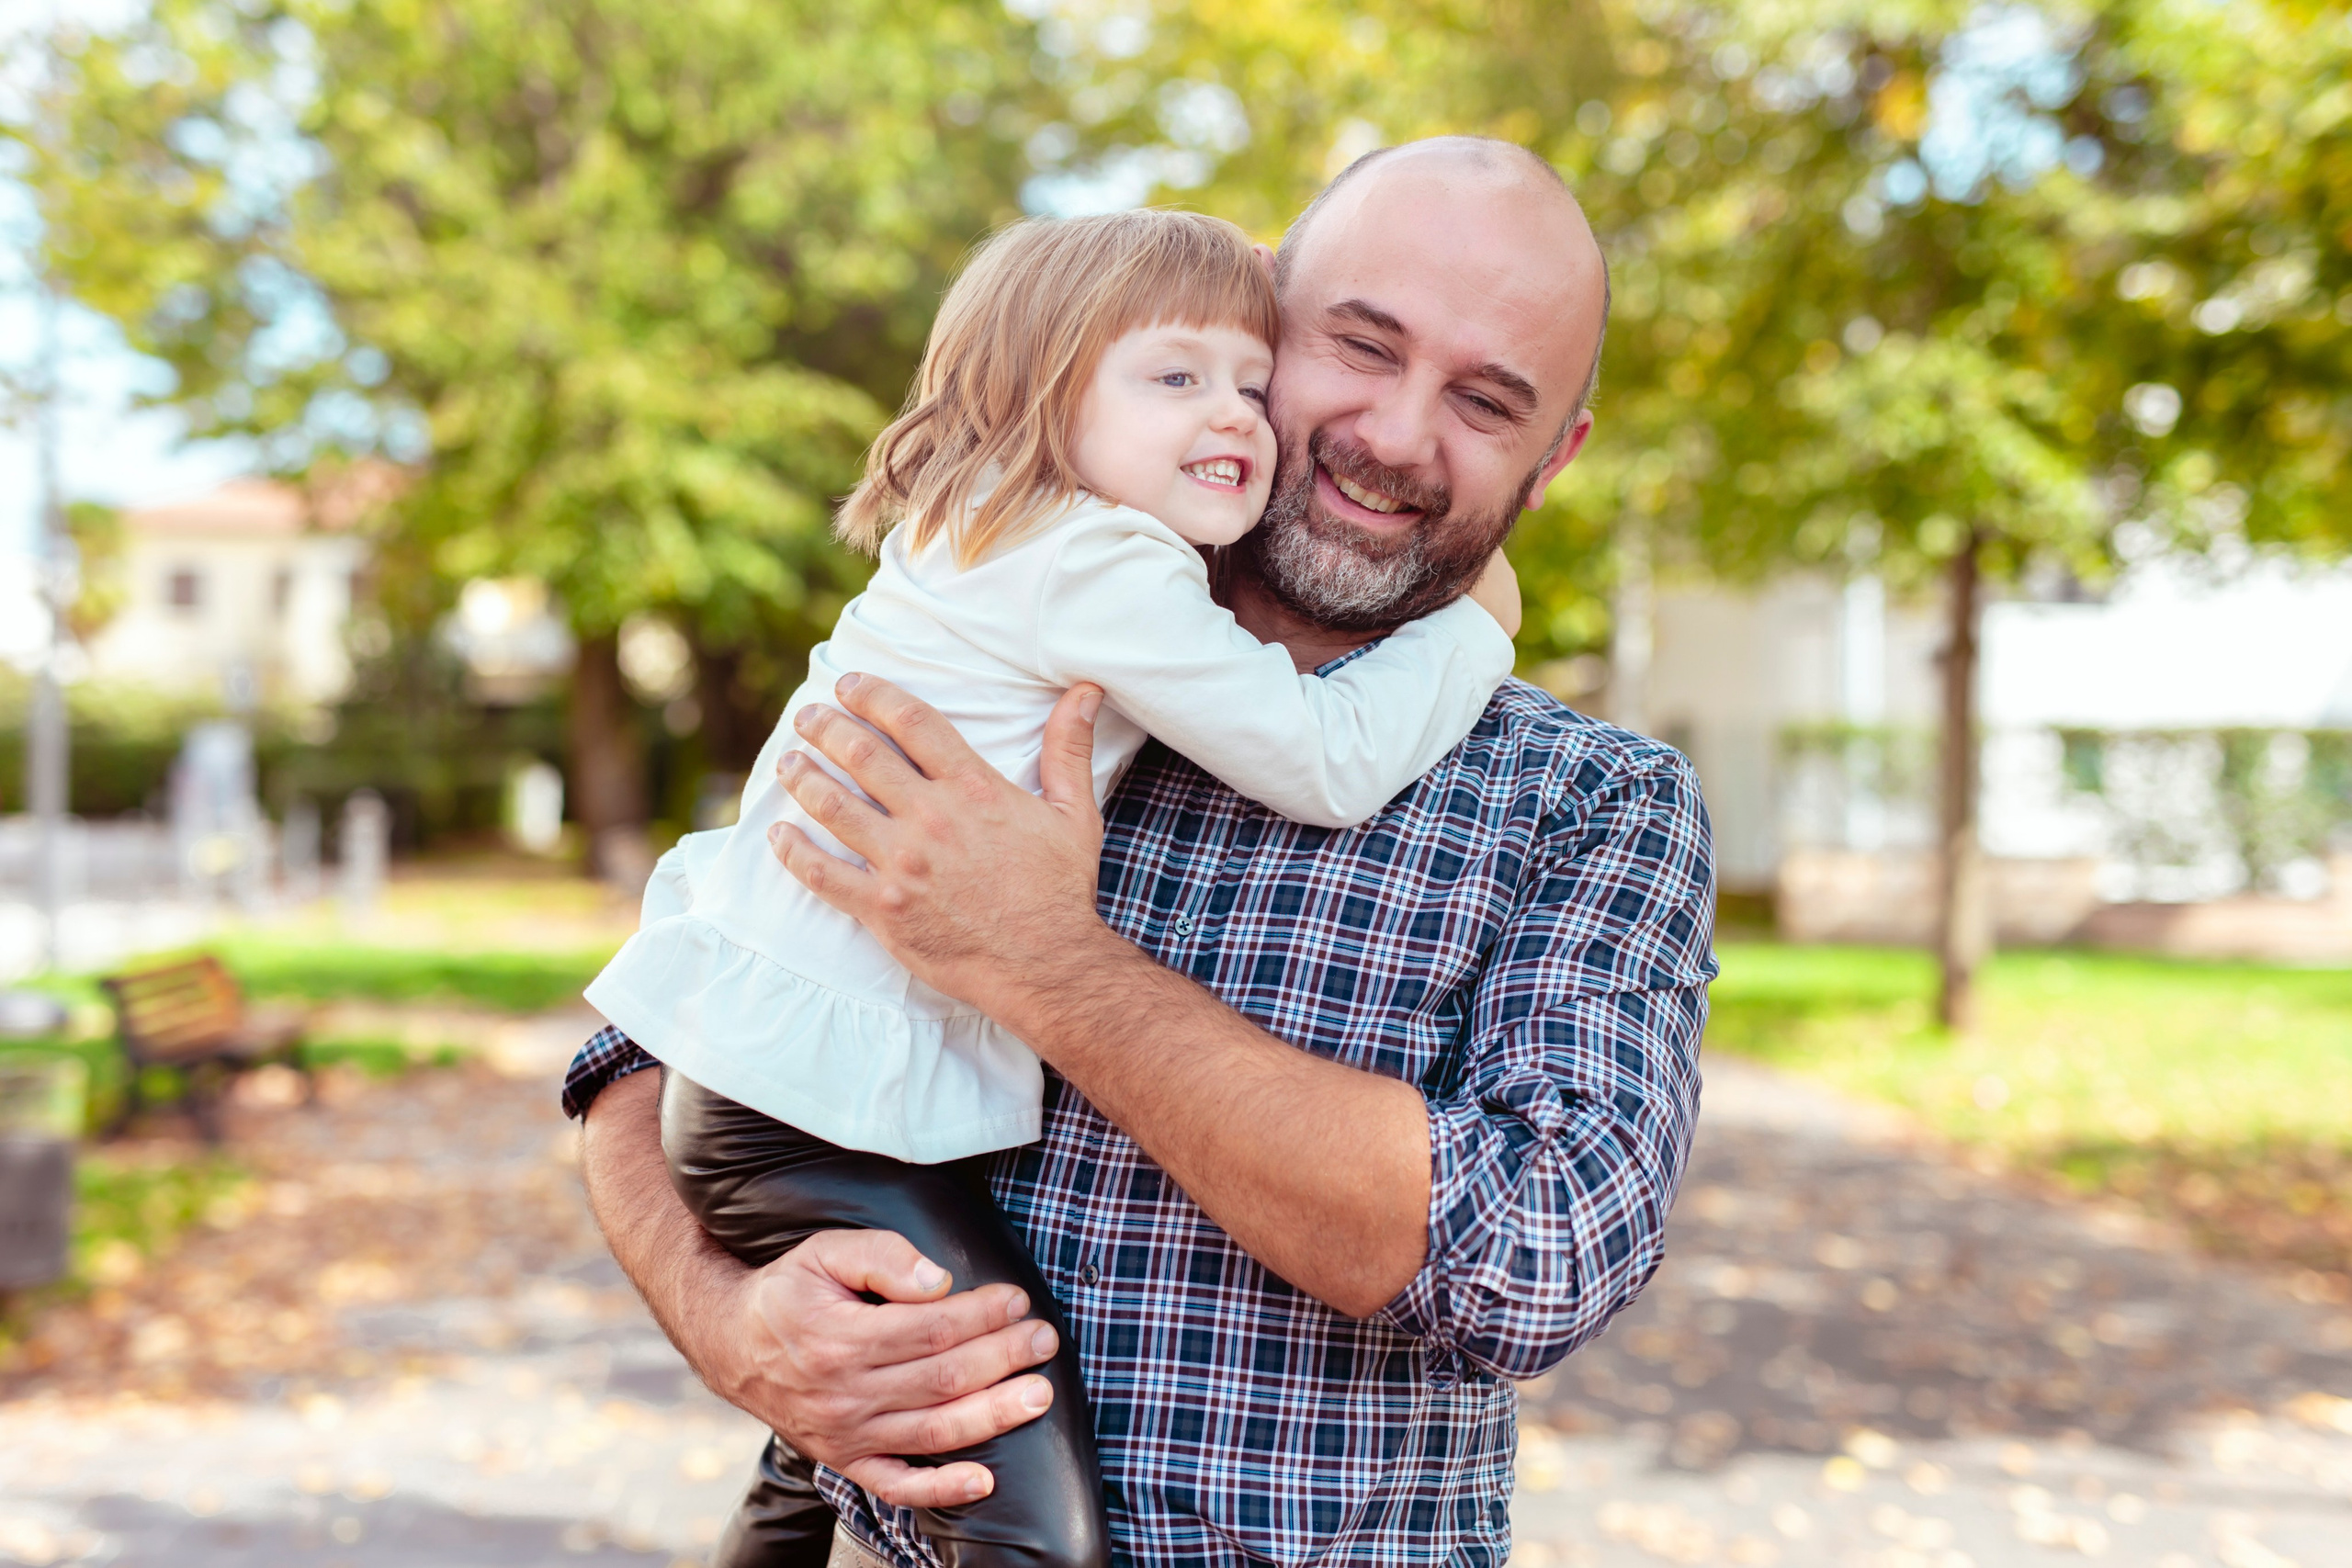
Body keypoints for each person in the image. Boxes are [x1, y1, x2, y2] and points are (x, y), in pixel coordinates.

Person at [566, 136, 1715, 1568]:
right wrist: (734, 1326)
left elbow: (1534, 1259)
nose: (1401, 434)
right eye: (1359, 346)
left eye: (1488, 402)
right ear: (1265, 320)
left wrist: (1044, 961)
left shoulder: (1594, 800)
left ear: (1558, 459)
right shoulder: (1026, 631)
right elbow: (653, 1042)